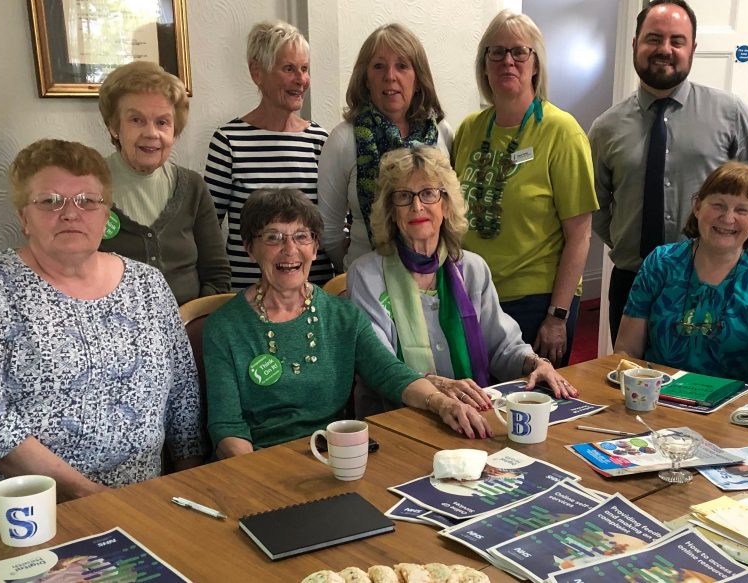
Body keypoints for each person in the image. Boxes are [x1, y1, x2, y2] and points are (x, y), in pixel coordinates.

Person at [0, 140, 203, 533]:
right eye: (50, 201)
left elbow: (183, 393)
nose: (70, 213)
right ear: (24, 217)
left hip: (136, 505)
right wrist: (86, 494)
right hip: (7, 512)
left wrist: (188, 485)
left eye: (87, 201)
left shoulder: (148, 284)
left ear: (106, 215)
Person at [203, 189, 491, 459]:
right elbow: (227, 427)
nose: (290, 249)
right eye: (273, 238)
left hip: (333, 456)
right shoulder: (224, 327)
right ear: (250, 249)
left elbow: (390, 373)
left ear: (315, 247)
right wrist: (255, 477)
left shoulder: (342, 316)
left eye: (302, 237)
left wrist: (442, 403)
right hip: (260, 461)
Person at [589, 0, 748, 341]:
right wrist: (627, 239)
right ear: (635, 44)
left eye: (677, 40)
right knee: (628, 371)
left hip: (714, 281)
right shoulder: (606, 128)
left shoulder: (730, 113)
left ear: (693, 49)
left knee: (706, 373)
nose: (665, 49)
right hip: (633, 279)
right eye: (654, 38)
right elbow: (595, 204)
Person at [348, 146, 579, 414]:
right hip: (395, 417)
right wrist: (437, 388)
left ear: (446, 204)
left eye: (428, 193)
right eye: (403, 196)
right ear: (391, 210)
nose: (417, 206)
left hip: (471, 412)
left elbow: (502, 346)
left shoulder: (472, 268)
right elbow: (380, 367)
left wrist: (536, 364)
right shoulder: (366, 275)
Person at [452, 10, 598, 368]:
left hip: (537, 302)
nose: (508, 61)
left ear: (536, 64)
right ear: (484, 64)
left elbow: (580, 235)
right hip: (473, 296)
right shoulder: (469, 129)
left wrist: (557, 315)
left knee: (532, 400)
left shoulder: (562, 132)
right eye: (496, 52)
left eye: (519, 51)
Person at [614, 162, 748, 387]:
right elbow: (626, 352)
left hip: (733, 406)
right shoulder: (660, 262)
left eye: (742, 210)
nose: (728, 218)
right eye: (718, 205)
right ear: (698, 206)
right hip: (655, 397)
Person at [205, 20, 333, 289]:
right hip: (247, 296)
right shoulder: (228, 141)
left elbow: (332, 224)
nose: (301, 80)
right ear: (257, 72)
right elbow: (208, 230)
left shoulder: (321, 141)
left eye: (305, 69)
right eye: (289, 69)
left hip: (314, 294)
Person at [318, 23, 453, 271]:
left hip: (434, 277)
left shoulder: (442, 134)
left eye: (402, 66)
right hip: (366, 280)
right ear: (365, 79)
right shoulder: (343, 140)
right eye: (379, 66)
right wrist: (353, 269)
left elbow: (452, 212)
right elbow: (330, 232)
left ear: (418, 79)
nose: (390, 76)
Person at [97, 61, 230, 304]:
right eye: (136, 120)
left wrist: (193, 321)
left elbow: (217, 275)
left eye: (162, 122)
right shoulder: (87, 187)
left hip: (188, 324)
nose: (151, 133)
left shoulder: (192, 187)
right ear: (114, 127)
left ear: (174, 132)